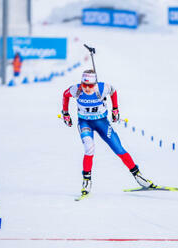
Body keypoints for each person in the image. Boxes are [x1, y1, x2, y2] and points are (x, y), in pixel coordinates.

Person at [61, 69, 154, 197]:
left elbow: (113, 91)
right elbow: (65, 95)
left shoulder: (103, 88)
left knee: (118, 149)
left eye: (90, 85)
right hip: (85, 123)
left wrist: (115, 109)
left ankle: (138, 176)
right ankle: (86, 181)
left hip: (102, 123)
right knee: (89, 148)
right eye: (84, 85)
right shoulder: (75, 89)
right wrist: (65, 113)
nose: (87, 88)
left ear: (95, 83)